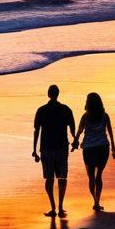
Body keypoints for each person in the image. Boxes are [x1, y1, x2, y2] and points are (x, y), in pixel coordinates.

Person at [33, 84, 76, 218]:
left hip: (46, 148)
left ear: (48, 94)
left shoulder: (41, 110)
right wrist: (75, 140)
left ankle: (53, 207)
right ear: (58, 94)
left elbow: (37, 131)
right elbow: (72, 128)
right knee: (62, 177)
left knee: (49, 178)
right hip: (61, 147)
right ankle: (61, 207)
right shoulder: (66, 109)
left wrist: (34, 150)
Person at [72, 92, 115, 211]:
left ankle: (96, 201)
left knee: (91, 177)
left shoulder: (85, 117)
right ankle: (97, 200)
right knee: (99, 175)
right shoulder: (105, 116)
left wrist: (75, 143)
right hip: (103, 148)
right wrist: (114, 149)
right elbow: (111, 132)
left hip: (89, 149)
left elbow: (79, 132)